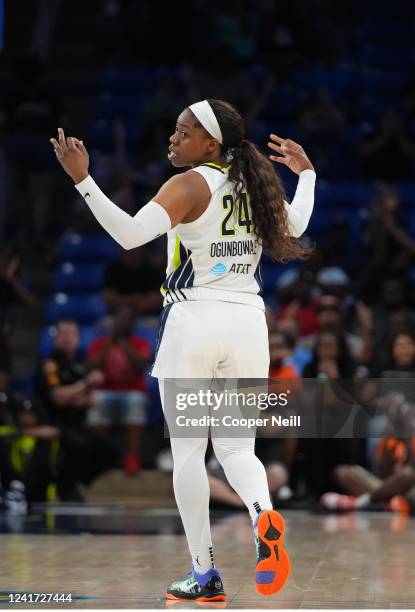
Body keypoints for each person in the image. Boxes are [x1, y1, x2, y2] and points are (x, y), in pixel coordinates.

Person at [50, 98, 316, 601]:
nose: (173, 138)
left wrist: (82, 179)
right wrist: (308, 174)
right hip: (248, 324)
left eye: (184, 131)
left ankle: (204, 574)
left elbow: (129, 235)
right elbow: (298, 224)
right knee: (238, 449)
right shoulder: (254, 187)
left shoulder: (189, 184)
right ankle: (264, 516)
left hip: (195, 322)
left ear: (211, 144)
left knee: (189, 456)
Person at [35, 319, 120, 500]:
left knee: (111, 450)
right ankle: (64, 485)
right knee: (77, 446)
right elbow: (57, 397)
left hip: (77, 423)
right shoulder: (50, 365)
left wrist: (76, 396)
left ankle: (76, 482)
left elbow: (89, 401)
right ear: (55, 338)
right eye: (63, 333)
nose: (68, 338)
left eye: (72, 334)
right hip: (54, 422)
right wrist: (85, 384)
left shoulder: (78, 366)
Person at [87, 306, 152, 475]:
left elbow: (140, 365)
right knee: (96, 399)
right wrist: (111, 341)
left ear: (132, 324)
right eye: (119, 319)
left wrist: (123, 343)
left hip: (132, 391)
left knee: (134, 401)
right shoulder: (101, 343)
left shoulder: (140, 343)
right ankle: (97, 455)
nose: (122, 323)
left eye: (126, 320)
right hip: (105, 391)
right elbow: (91, 365)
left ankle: (132, 457)